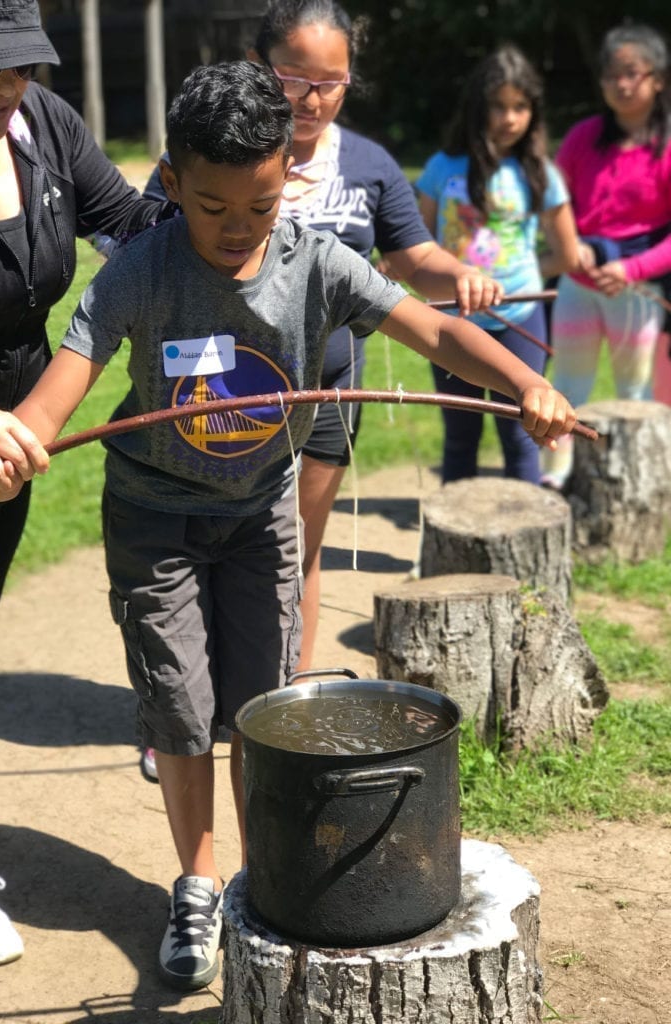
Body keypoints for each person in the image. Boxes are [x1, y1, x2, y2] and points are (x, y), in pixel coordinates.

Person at [0, 60, 578, 989]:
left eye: (257, 206)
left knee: (262, 706)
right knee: (176, 703)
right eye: (211, 208)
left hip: (260, 515)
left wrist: (525, 381)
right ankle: (198, 883)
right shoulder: (139, 269)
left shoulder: (318, 263)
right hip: (156, 517)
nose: (236, 229)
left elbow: (438, 331)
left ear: (287, 177)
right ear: (170, 182)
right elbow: (65, 380)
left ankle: (267, 874)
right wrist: (20, 442)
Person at [0, 0, 170, 967]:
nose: (6, 87)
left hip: (9, 446)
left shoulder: (44, 127)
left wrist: (208, 214)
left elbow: (130, 225)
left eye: (20, 65)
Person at [143, 0, 502, 706]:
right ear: (257, 67)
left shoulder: (368, 163)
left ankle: (284, 699)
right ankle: (185, 703)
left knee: (294, 547)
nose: (312, 99)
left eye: (332, 82)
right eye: (295, 78)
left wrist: (455, 274)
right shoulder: (208, 157)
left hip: (325, 390)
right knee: (208, 545)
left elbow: (413, 256)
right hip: (218, 389)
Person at [415, 44, 580, 484]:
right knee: (460, 437)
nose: (509, 118)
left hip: (520, 321)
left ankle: (526, 545)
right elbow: (417, 244)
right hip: (451, 325)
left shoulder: (539, 173)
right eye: (498, 106)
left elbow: (566, 253)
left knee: (524, 436)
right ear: (476, 107)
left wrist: (517, 276)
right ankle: (451, 551)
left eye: (520, 106)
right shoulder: (441, 168)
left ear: (533, 111)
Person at [540, 22, 671, 490]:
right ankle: (555, 479)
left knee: (636, 394)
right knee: (565, 387)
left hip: (638, 289)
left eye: (632, 73)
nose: (621, 83)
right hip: (579, 282)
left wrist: (631, 269)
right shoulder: (582, 137)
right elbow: (557, 203)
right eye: (612, 74)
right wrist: (571, 251)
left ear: (657, 79)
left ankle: (643, 486)